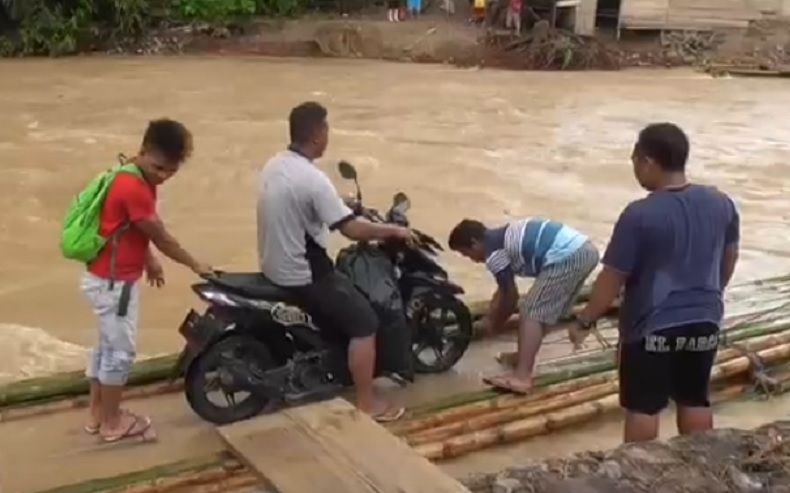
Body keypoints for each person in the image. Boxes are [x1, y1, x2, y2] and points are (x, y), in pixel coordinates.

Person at [567, 122, 740, 443]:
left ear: (647, 161)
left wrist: (585, 320)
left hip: (651, 326)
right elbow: (729, 258)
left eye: (634, 162)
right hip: (705, 320)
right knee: (694, 397)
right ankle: (703, 465)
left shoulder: (639, 214)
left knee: (644, 407)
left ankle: (641, 476)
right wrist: (711, 295)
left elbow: (612, 277)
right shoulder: (722, 203)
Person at [257, 102, 414, 422]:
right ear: (317, 135)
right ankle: (368, 404)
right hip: (303, 273)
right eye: (327, 128)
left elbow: (304, 204)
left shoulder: (275, 165)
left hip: (272, 265)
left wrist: (341, 203)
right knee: (365, 323)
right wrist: (394, 229)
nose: (329, 135)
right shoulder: (313, 179)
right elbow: (353, 230)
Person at [82, 119, 213, 442]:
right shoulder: (134, 187)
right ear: (142, 151)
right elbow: (162, 237)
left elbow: (128, 229)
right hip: (115, 284)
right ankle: (113, 423)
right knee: (120, 352)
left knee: (105, 346)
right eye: (158, 168)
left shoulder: (129, 173)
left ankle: (98, 413)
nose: (163, 176)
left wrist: (149, 261)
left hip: (103, 276)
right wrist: (197, 265)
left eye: (171, 171)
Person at [448, 217, 599, 394]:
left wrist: (494, 325)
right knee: (546, 310)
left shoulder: (493, 253)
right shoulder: (500, 237)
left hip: (567, 256)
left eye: (466, 254)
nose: (472, 260)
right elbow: (503, 290)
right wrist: (491, 314)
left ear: (474, 243)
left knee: (530, 313)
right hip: (584, 250)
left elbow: (511, 297)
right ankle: (522, 358)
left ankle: (522, 377)